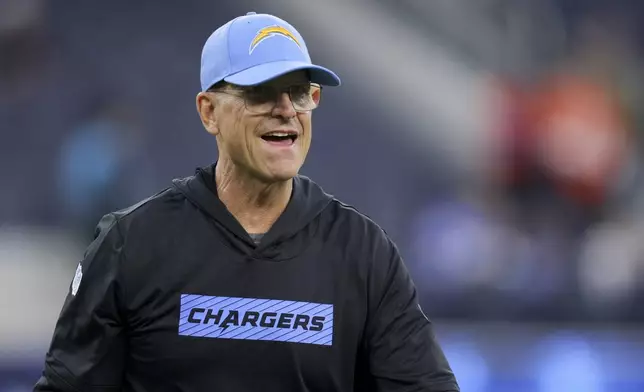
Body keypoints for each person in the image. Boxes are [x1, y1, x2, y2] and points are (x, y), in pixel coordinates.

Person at [34, 12, 459, 392]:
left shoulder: (363, 254)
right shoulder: (132, 244)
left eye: (299, 92)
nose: (286, 110)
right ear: (209, 112)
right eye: (262, 92)